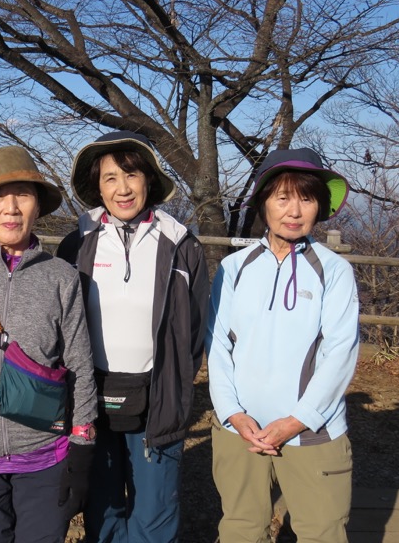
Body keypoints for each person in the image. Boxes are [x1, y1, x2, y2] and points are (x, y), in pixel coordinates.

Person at [57, 131, 209, 543]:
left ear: (149, 181)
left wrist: (177, 380)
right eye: (110, 178)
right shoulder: (77, 245)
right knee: (102, 505)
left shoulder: (181, 247)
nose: (122, 188)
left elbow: (195, 330)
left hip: (157, 397)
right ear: (98, 187)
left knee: (156, 511)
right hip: (91, 396)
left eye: (131, 175)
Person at [206, 148, 359, 543]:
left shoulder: (334, 271)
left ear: (319, 207)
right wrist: (233, 415)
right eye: (282, 197)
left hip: (313, 432)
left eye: (306, 198)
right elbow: (218, 346)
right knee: (240, 529)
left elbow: (340, 353)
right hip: (240, 432)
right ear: (264, 203)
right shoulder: (234, 268)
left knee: (320, 532)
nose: (294, 210)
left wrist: (296, 420)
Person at [0, 146, 98, 543]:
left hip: (46, 455)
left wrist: (82, 445)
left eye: (23, 193)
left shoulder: (61, 277)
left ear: (38, 207)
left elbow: (80, 364)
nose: (11, 207)